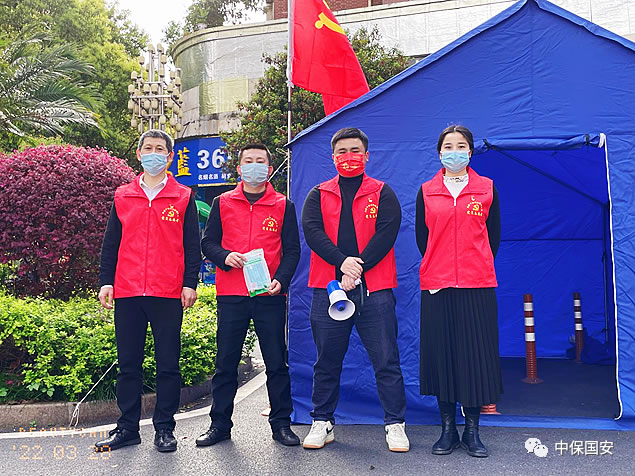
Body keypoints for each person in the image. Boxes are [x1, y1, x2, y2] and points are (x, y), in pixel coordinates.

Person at [301, 127, 409, 452]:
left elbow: (387, 233)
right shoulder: (318, 194)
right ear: (333, 157)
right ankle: (322, 421)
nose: (349, 157)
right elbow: (313, 232)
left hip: (375, 289)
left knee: (386, 359)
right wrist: (342, 263)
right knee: (326, 360)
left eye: (355, 151)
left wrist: (357, 267)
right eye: (342, 152)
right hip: (329, 288)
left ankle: (395, 424)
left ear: (367, 155)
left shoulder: (383, 193)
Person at [95, 129, 201, 453]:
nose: (154, 154)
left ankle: (164, 429)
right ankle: (127, 428)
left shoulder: (183, 196)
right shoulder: (123, 196)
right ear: (139, 154)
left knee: (168, 364)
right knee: (129, 364)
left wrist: (190, 283)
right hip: (128, 291)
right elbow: (111, 243)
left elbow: (192, 245)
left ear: (170, 157)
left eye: (160, 149)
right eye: (148, 148)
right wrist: (106, 281)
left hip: (167, 292)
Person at [196, 144, 301, 447]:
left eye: (260, 161)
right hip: (232, 294)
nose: (255, 166)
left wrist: (282, 279)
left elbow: (292, 250)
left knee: (276, 362)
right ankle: (219, 425)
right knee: (226, 363)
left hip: (269, 294)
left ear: (269, 169)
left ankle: (281, 424)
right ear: (240, 169)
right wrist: (225, 256)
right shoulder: (222, 202)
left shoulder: (283, 205)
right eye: (248, 161)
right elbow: (208, 243)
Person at [416, 124, 502, 458]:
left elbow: (493, 237)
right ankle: (448, 430)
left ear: (471, 151)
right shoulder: (427, 191)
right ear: (439, 153)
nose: (455, 152)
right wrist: (440, 264)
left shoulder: (487, 188)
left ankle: (472, 431)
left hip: (476, 283)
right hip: (437, 285)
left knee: (474, 357)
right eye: (448, 146)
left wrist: (472, 264)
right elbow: (422, 239)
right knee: (444, 356)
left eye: (461, 145)